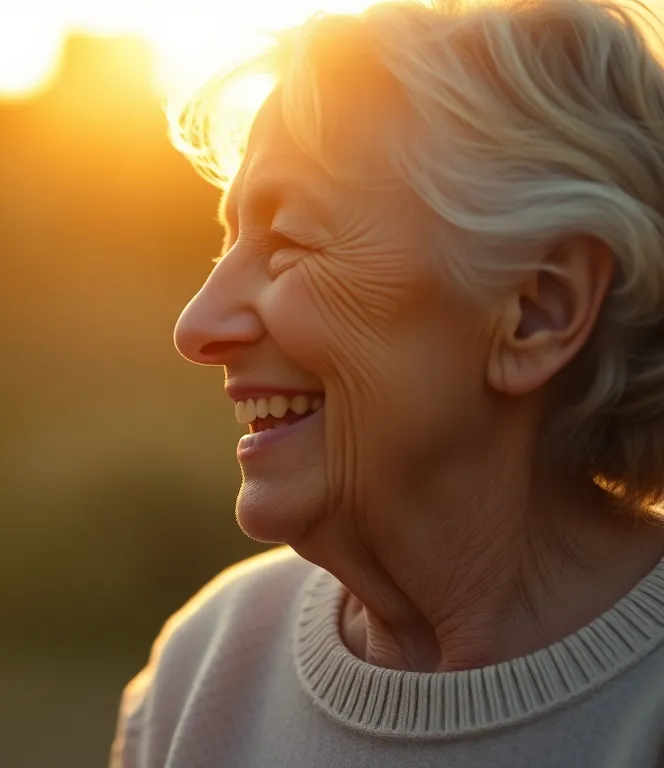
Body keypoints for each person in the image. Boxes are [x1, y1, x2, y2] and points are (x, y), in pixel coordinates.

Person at [112, 0, 664, 765]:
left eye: (292, 240)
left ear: (540, 309)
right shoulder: (209, 668)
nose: (197, 326)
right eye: (226, 242)